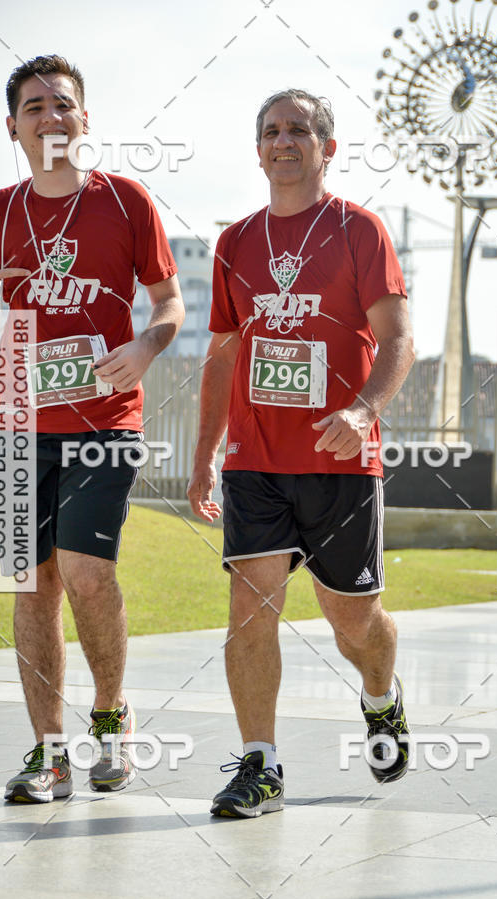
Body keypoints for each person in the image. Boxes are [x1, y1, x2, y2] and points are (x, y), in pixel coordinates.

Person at [187, 88, 415, 818]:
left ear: (327, 147)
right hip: (256, 462)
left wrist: (363, 408)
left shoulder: (359, 231)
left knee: (354, 621)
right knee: (250, 609)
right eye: (271, 131)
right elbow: (222, 356)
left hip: (340, 461)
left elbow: (400, 337)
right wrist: (205, 453)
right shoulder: (235, 243)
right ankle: (262, 765)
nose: (283, 141)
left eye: (299, 130)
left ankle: (381, 696)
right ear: (258, 150)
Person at [0, 55, 184, 802]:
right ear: (13, 128)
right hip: (15, 417)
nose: (50, 117)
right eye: (34, 107)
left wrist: (146, 345)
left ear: (84, 120)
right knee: (31, 585)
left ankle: (109, 720)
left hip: (103, 417)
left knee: (87, 574)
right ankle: (46, 753)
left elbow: (169, 303)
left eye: (63, 104)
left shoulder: (126, 204)